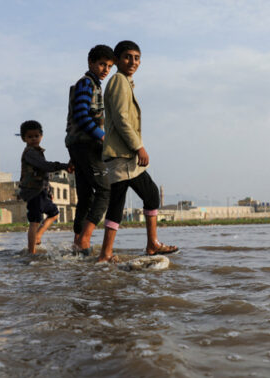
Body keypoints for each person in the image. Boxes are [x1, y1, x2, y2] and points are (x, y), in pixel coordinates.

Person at [97, 40, 178, 263]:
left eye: (137, 58)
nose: (133, 62)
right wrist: (138, 147)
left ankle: (107, 254)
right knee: (150, 194)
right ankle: (149, 245)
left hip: (121, 155)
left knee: (120, 202)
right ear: (117, 59)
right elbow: (123, 119)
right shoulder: (119, 81)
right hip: (123, 155)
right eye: (128, 57)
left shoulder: (123, 82)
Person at [65, 44, 115, 256]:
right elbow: (82, 116)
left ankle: (77, 242)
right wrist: (102, 136)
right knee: (104, 191)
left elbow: (74, 120)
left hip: (76, 144)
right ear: (91, 63)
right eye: (102, 64)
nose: (105, 69)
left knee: (85, 196)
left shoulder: (90, 84)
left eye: (109, 66)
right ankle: (85, 239)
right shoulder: (87, 84)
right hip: (87, 145)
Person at [18, 120, 72, 254]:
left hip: (41, 192)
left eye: (36, 136)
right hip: (33, 193)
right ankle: (32, 252)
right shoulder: (30, 153)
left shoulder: (38, 151)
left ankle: (38, 236)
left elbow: (44, 174)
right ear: (24, 138)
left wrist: (49, 191)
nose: (34, 139)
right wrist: (64, 166)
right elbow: (45, 166)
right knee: (34, 222)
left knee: (54, 213)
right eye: (30, 137)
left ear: (41, 136)